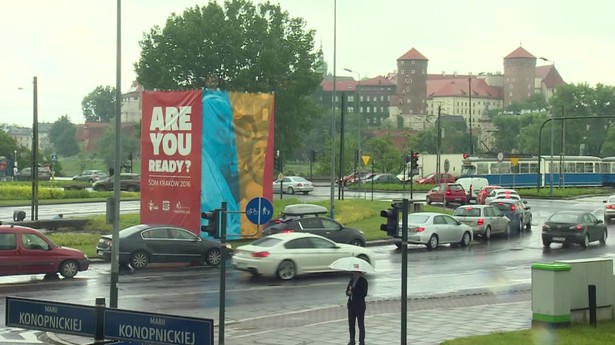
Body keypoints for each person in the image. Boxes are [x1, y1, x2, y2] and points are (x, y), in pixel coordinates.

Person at [346, 270, 368, 345]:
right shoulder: (352, 280)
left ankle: (361, 341)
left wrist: (353, 290)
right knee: (351, 324)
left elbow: (364, 293)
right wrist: (348, 292)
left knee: (360, 324)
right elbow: (347, 291)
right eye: (353, 272)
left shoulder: (363, 281)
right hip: (351, 305)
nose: (354, 273)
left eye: (355, 272)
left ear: (360, 272)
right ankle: (352, 340)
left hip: (359, 306)